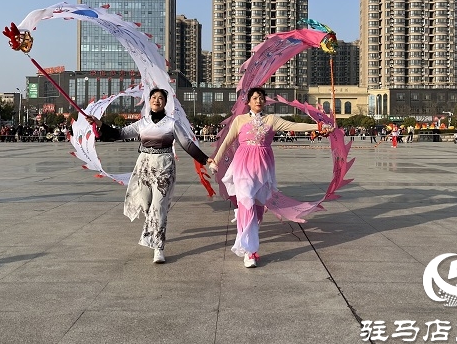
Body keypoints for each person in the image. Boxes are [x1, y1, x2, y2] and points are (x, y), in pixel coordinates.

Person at [86, 88, 214, 264]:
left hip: (164, 166)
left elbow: (187, 144)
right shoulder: (142, 123)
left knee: (158, 206)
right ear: (149, 101)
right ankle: (154, 230)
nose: (156, 100)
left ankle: (158, 246)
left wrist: (206, 159)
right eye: (153, 97)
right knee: (146, 205)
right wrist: (99, 124)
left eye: (160, 98)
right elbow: (119, 134)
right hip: (144, 166)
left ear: (165, 102)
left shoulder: (172, 123)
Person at [212, 87, 332, 268]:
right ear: (248, 102)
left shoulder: (271, 120)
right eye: (254, 98)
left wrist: (319, 126)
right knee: (247, 202)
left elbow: (293, 126)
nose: (258, 101)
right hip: (242, 166)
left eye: (261, 98)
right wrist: (215, 160)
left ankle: (247, 236)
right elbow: (227, 141)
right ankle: (250, 251)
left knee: (258, 209)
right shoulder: (239, 120)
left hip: (263, 168)